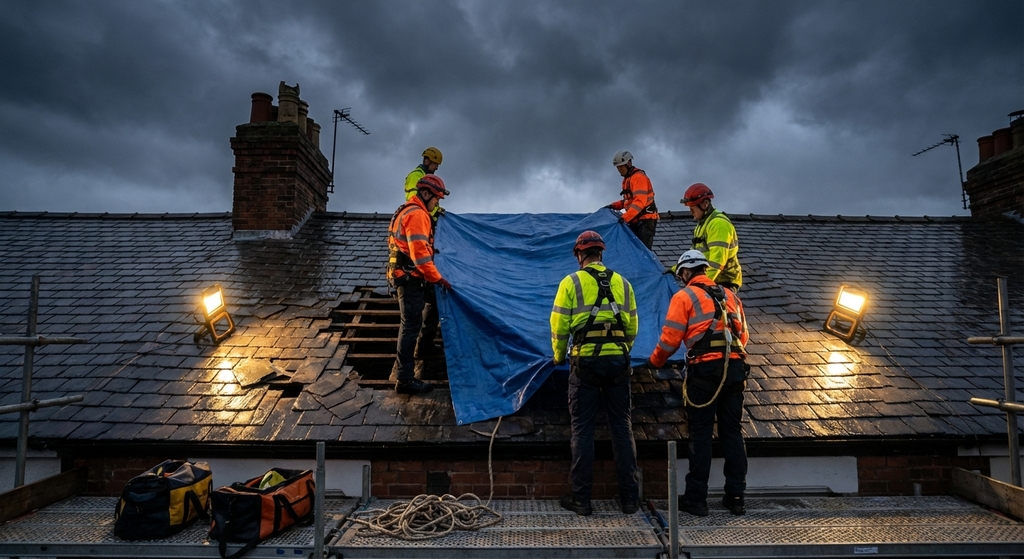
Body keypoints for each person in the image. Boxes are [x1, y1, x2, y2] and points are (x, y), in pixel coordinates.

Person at [645, 249, 750, 517]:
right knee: (732, 432)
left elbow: (670, 338)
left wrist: (655, 362)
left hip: (705, 370)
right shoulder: (731, 296)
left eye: (681, 274)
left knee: (701, 435)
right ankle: (736, 497)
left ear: (686, 272)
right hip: (735, 368)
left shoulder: (685, 296)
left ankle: (696, 500)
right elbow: (743, 336)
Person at [550, 231, 640, 516]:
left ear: (579, 255)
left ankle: (581, 500)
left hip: (585, 363)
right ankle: (630, 500)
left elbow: (559, 326)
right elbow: (632, 329)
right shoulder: (623, 283)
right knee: (622, 428)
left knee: (583, 431)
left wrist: (557, 356)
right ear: (601, 254)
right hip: (618, 363)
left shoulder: (571, 282)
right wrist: (619, 350)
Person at [387, 174, 453, 395]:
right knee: (410, 325)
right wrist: (439, 278)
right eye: (436, 198)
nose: (437, 203)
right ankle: (404, 379)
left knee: (434, 303)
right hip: (410, 278)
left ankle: (424, 347)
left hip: (411, 276)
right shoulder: (417, 215)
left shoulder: (405, 210)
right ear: (425, 194)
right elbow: (421, 258)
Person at [681, 182, 742, 290]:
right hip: (711, 280)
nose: (691, 213)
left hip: (724, 283)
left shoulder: (718, 225)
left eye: (692, 209)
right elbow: (693, 256)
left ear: (705, 204)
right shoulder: (702, 225)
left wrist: (699, 286)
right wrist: (675, 269)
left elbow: (716, 263)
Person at [606, 150, 658, 250]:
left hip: (645, 220)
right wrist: (613, 205)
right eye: (618, 167)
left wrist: (625, 218)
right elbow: (628, 201)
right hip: (638, 220)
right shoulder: (628, 179)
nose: (619, 169)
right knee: (634, 250)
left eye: (621, 166)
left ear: (629, 163)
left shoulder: (638, 178)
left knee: (642, 252)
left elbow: (639, 202)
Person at [405, 147, 444, 220]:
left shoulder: (424, 176)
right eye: (435, 164)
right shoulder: (416, 175)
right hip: (417, 216)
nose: (436, 168)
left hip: (424, 215)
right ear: (427, 161)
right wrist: (435, 213)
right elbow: (414, 198)